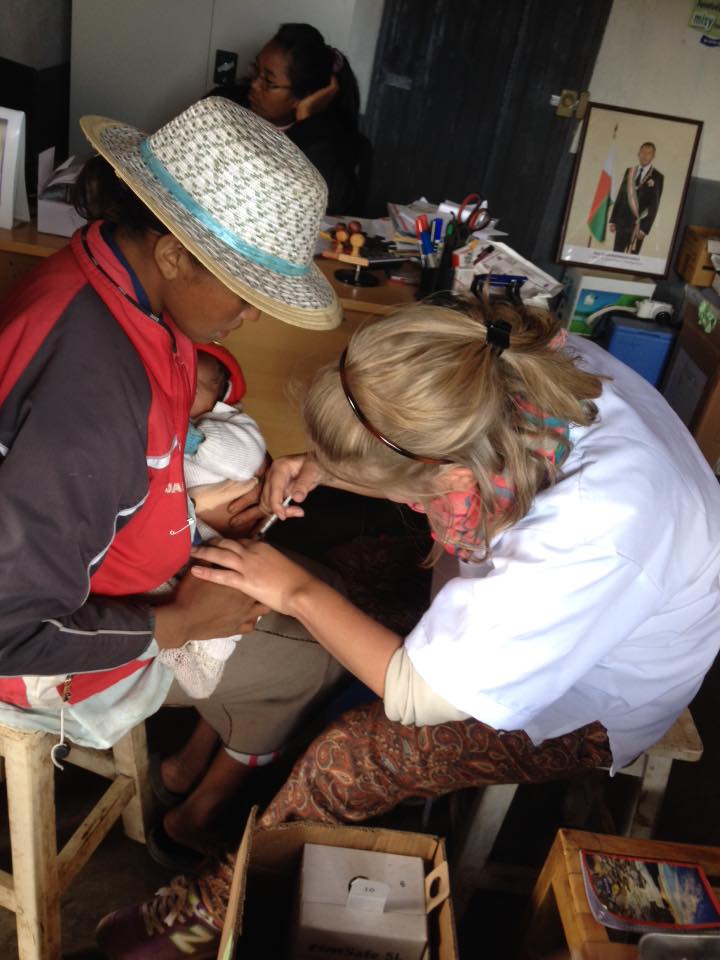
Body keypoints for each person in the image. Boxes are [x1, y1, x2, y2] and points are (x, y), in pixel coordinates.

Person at [96, 291, 720, 957]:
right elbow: (419, 446)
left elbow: (419, 696)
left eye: (404, 487)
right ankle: (212, 766)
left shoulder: (597, 525)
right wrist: (329, 464)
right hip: (548, 593)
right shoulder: (497, 362)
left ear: (447, 474)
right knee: (342, 574)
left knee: (350, 754)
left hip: (594, 689)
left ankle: (215, 909)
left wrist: (296, 590)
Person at [0, 96, 348, 864]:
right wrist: (182, 622)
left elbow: (113, 466)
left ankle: (185, 770)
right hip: (40, 661)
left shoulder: (118, 284)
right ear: (173, 254)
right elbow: (12, 628)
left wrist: (193, 507)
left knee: (316, 587)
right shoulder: (89, 396)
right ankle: (190, 803)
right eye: (244, 291)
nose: (253, 316)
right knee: (315, 657)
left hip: (110, 577)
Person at [213, 22, 366, 214]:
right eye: (255, 70)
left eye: (269, 82)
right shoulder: (225, 105)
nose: (254, 84)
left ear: (305, 96)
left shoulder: (328, 139)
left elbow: (337, 205)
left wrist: (306, 123)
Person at [609, 141, 664, 254]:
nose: (645, 155)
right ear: (638, 154)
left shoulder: (657, 177)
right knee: (616, 254)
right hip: (622, 222)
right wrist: (613, 220)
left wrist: (644, 229)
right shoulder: (630, 171)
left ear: (653, 156)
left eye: (649, 153)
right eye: (643, 152)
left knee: (632, 258)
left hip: (639, 225)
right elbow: (621, 195)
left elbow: (654, 206)